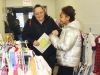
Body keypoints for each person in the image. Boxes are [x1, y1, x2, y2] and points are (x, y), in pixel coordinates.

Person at [24, 4, 61, 72]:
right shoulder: (30, 22)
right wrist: (32, 41)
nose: (39, 15)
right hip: (37, 54)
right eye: (37, 13)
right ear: (34, 14)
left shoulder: (50, 20)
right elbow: (25, 36)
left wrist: (57, 31)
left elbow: (59, 30)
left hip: (50, 53)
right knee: (39, 72)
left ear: (44, 12)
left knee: (50, 71)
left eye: (41, 12)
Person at [50, 6, 82, 75]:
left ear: (67, 18)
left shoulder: (72, 30)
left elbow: (64, 46)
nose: (60, 19)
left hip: (68, 64)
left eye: (61, 17)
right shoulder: (67, 29)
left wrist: (52, 38)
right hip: (65, 62)